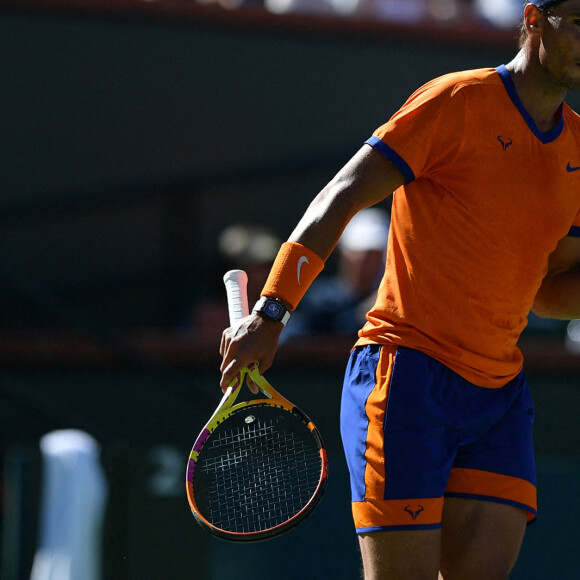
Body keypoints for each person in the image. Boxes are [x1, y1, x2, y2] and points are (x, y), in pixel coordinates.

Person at [220, 1, 580, 578]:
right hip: (405, 380)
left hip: (500, 397)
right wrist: (271, 310)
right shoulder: (456, 100)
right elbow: (341, 196)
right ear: (534, 20)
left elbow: (548, 291)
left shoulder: (579, 150)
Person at [283, 207, 390, 340]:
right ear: (342, 252)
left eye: (373, 255)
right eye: (357, 252)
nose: (364, 261)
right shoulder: (317, 298)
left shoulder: (392, 302)